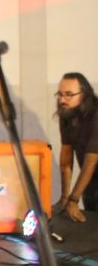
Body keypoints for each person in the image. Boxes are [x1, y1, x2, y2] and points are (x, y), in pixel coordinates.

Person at [54, 72, 98, 223]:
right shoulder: (66, 113)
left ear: (84, 95)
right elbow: (66, 159)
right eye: (60, 94)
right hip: (91, 185)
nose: (62, 100)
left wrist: (73, 199)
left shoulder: (96, 114)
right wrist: (64, 198)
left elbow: (91, 160)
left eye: (69, 95)